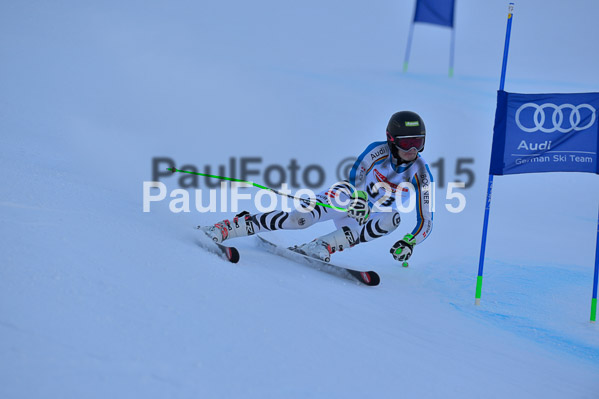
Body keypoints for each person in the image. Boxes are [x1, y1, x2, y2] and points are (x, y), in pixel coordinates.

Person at [201, 111, 434, 264]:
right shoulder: (379, 150)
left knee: (392, 219)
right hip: (349, 196)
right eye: (407, 143)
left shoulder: (422, 174)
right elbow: (357, 171)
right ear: (391, 140)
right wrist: (360, 197)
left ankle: (324, 246)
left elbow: (426, 220)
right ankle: (227, 228)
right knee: (300, 220)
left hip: (369, 214)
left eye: (418, 143)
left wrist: (409, 241)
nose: (412, 150)